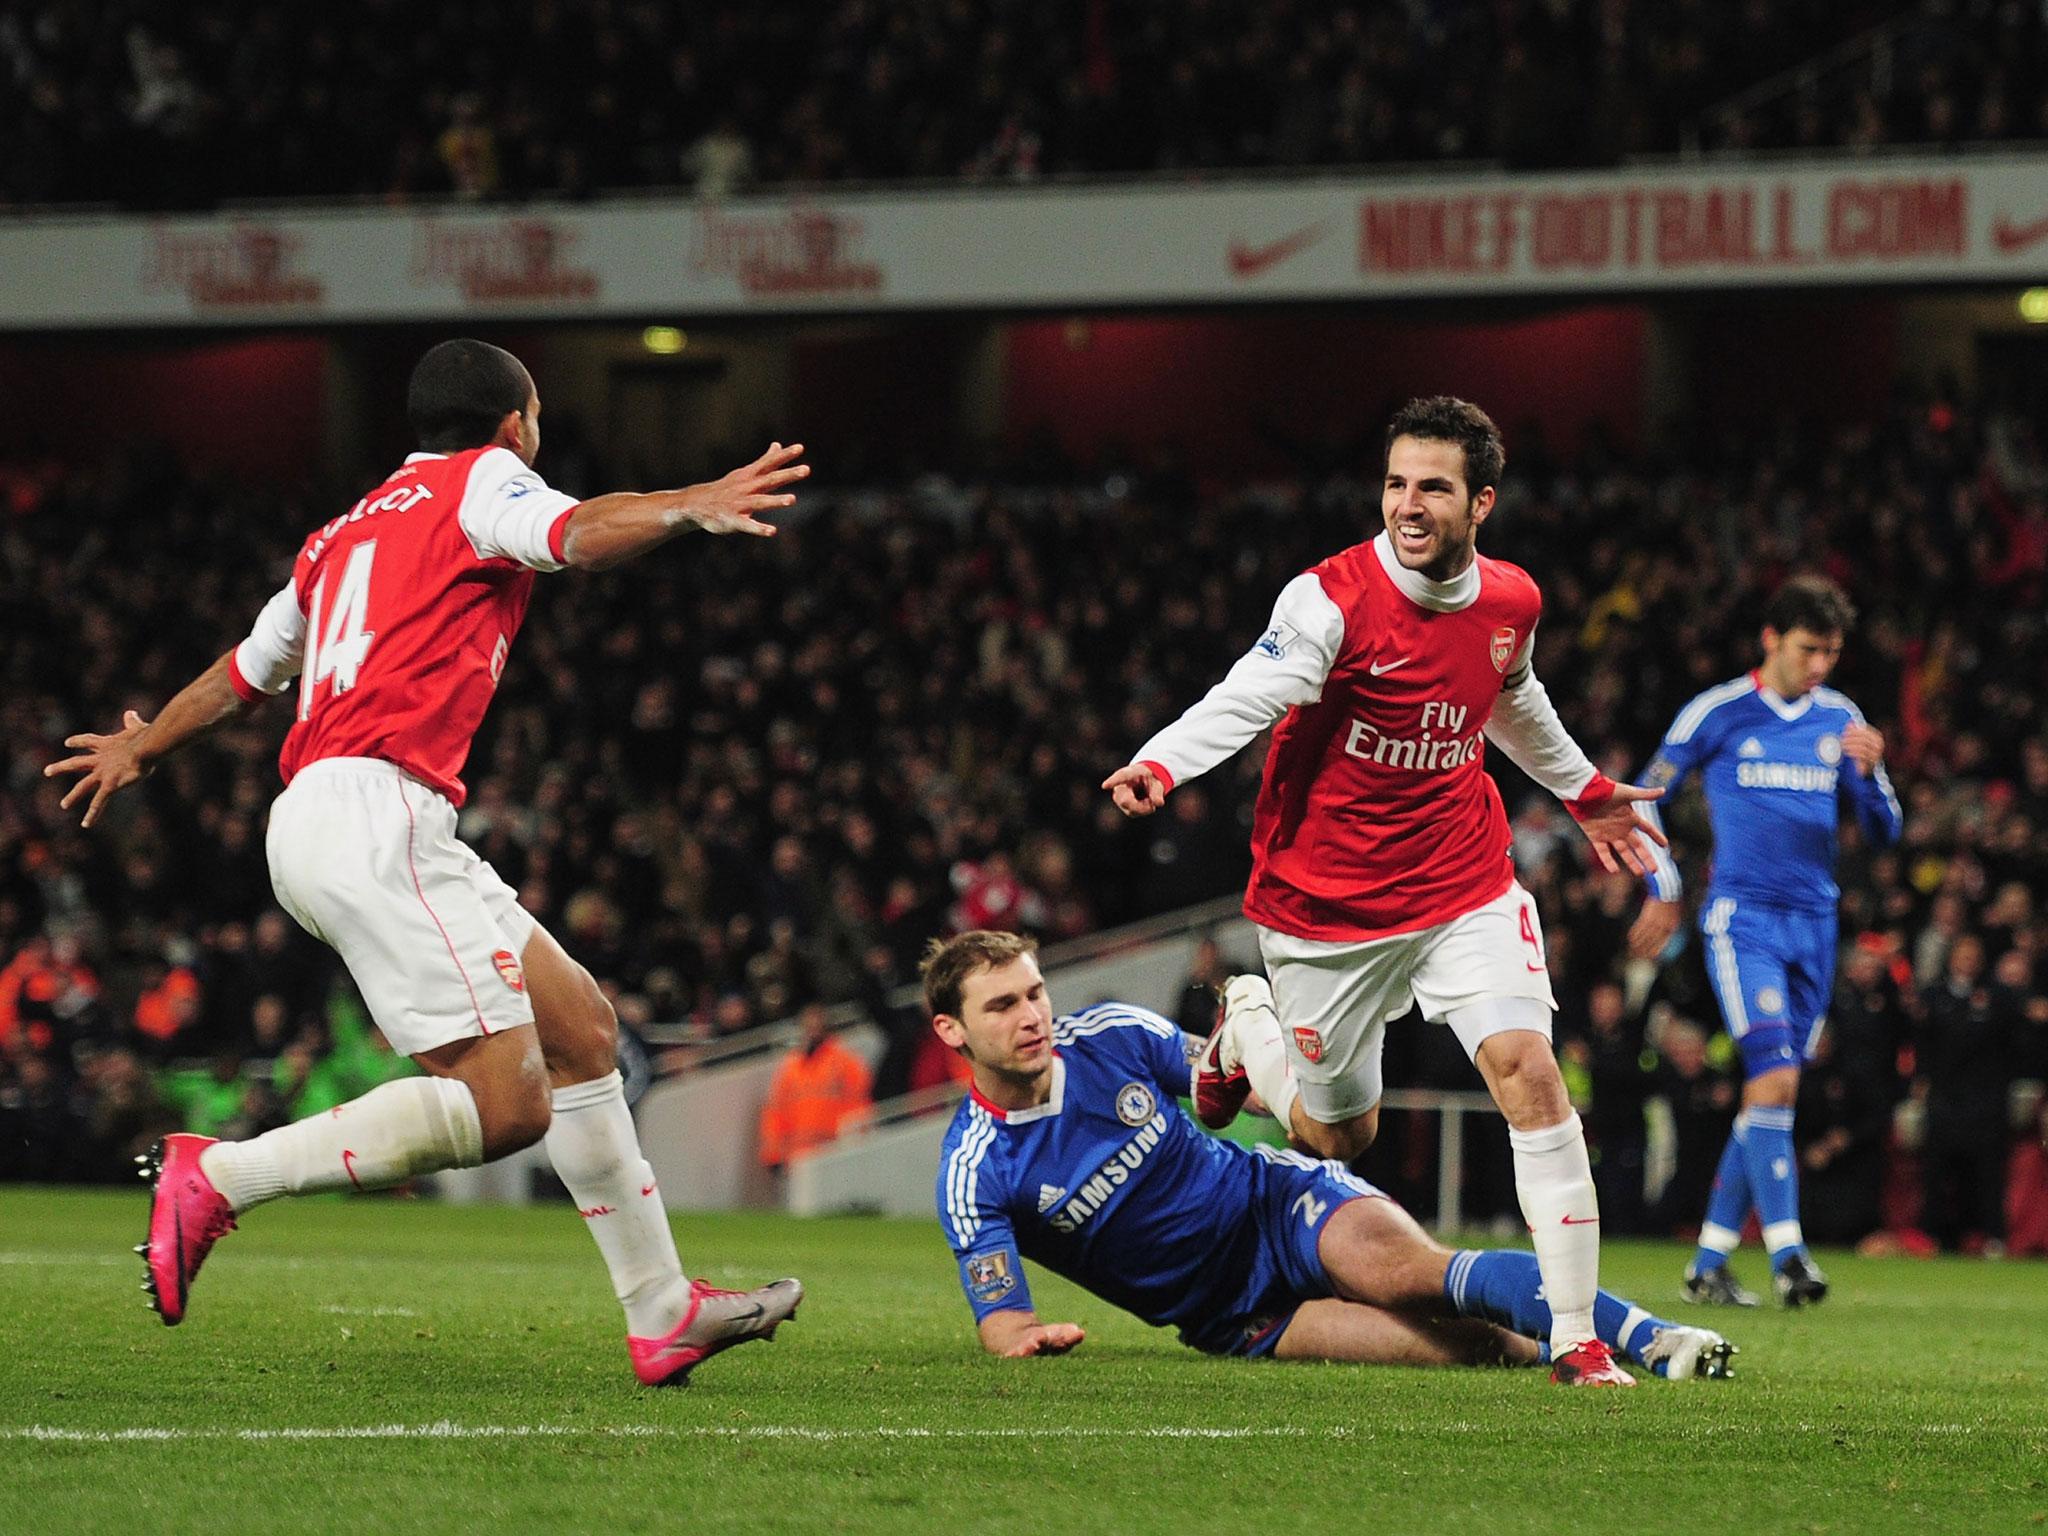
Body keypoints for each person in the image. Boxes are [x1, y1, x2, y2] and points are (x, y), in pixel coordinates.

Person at [46, 339, 808, 1386]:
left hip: (344, 815)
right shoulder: (486, 482)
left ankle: (662, 1310)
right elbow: (575, 533)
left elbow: (247, 670)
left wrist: (142, 744)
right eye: (536, 416)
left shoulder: (340, 534)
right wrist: (689, 502)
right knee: (510, 1106)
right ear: (515, 421)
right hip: (377, 812)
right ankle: (220, 1175)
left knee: (580, 1030)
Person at [1103, 397, 1664, 1386]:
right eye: (1396, 482)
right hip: (1326, 910)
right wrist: (1163, 761)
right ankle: (1244, 1027)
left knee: (1527, 1072)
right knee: (1334, 1133)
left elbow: (1511, 694)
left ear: (1479, 502)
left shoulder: (1510, 603)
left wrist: (1580, 790)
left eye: (1432, 487)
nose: (1407, 504)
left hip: (1462, 880)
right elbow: (1251, 690)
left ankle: (1574, 1338)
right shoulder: (1328, 601)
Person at [926, 930, 1733, 1383]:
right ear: (952, 1032)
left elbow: (1231, 1084)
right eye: (1002, 1005)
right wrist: (1025, 1338)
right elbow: (1005, 1320)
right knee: (1473, 1348)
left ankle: (1654, 1339)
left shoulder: (1109, 1037)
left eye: (1034, 992)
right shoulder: (975, 1170)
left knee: (1414, 1276)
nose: (1031, 1015)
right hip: (1236, 1318)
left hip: (1279, 1205)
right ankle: (1564, 1340)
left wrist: (1251, 1042)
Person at [1627, 575, 1903, 1305]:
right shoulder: (1718, 711)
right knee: (1775, 1079)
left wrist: (1870, 779)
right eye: (1809, 650)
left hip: (1815, 925)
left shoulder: (1841, 717)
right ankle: (1789, 1256)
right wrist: (1664, 889)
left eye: (1832, 653)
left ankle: (1708, 1263)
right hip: (1741, 920)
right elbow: (1644, 797)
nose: (1820, 666)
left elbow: (1885, 833)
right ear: (1771, 640)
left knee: (1767, 1097)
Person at [757, 1002, 874, 1172]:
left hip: (835, 1152)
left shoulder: (846, 1062)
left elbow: (860, 1105)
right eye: (808, 1023)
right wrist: (774, 1154)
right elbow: (776, 1112)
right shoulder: (790, 1067)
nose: (812, 1028)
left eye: (817, 1022)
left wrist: (855, 1144)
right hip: (798, 1159)